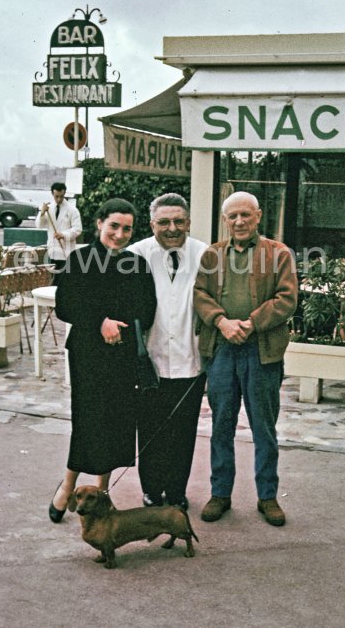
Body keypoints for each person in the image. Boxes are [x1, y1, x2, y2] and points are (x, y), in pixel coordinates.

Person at [48, 198, 156, 523]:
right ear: (99, 224)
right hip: (87, 355)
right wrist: (99, 320)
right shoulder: (79, 259)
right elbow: (65, 306)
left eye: (127, 229)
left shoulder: (136, 265)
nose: (120, 234)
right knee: (88, 420)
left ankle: (102, 491)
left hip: (121, 357)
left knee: (114, 422)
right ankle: (67, 486)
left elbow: (147, 310)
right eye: (114, 226)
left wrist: (121, 322)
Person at [193, 191, 298, 526]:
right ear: (225, 220)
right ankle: (220, 493)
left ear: (258, 216)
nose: (239, 222)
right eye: (232, 216)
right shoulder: (212, 255)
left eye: (245, 215)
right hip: (222, 349)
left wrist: (252, 323)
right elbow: (199, 293)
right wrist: (221, 322)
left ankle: (267, 497)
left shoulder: (278, 253)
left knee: (263, 427)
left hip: (261, 351)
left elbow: (287, 298)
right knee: (221, 425)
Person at [127, 193, 208, 510]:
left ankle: (176, 491)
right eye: (164, 222)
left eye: (179, 221)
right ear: (152, 224)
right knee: (149, 429)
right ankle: (151, 489)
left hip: (191, 360)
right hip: (150, 362)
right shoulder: (135, 255)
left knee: (183, 432)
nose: (172, 228)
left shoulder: (205, 255)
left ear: (188, 222)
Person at [36, 182, 82, 275]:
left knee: (65, 280)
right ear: (52, 194)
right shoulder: (48, 208)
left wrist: (63, 234)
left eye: (61, 196)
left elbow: (78, 229)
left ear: (64, 193)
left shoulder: (72, 210)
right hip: (52, 252)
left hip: (67, 252)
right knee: (53, 280)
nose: (59, 199)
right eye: (56, 196)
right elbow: (39, 225)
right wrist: (42, 213)